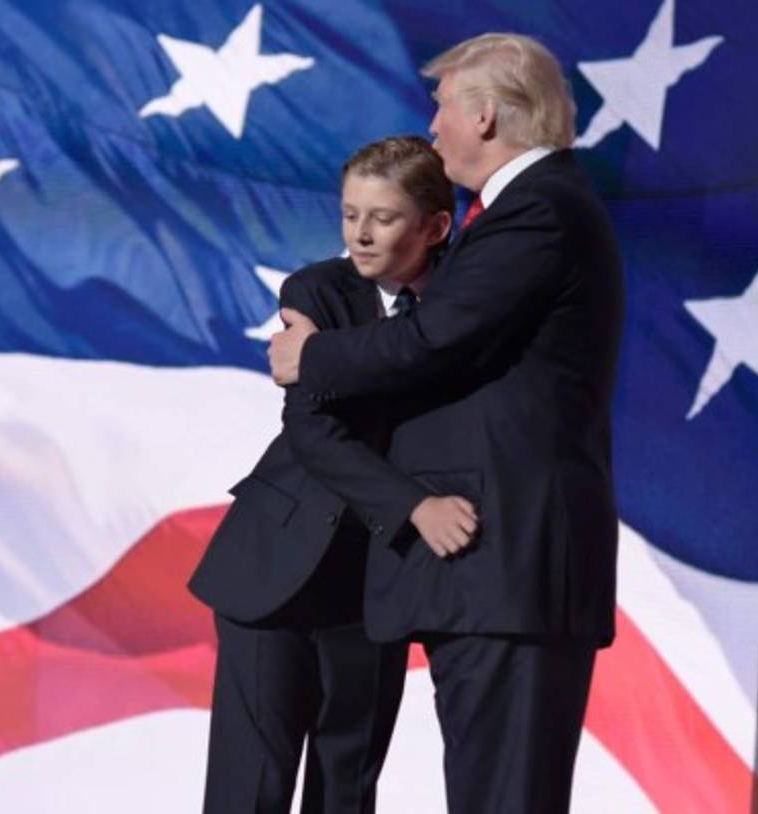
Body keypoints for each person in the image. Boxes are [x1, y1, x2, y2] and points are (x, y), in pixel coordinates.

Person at [269, 34, 624, 813]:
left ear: (486, 115)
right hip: (486, 573)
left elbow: (436, 340)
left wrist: (313, 356)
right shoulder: (520, 213)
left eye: (441, 108)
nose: (432, 128)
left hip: (511, 566)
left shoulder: (541, 211)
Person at [190, 135, 475, 813]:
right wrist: (415, 509)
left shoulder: (466, 306)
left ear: (436, 227)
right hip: (273, 576)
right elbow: (313, 431)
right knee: (249, 788)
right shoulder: (317, 288)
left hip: (375, 588)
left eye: (383, 216)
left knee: (347, 788)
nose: (361, 234)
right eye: (351, 214)